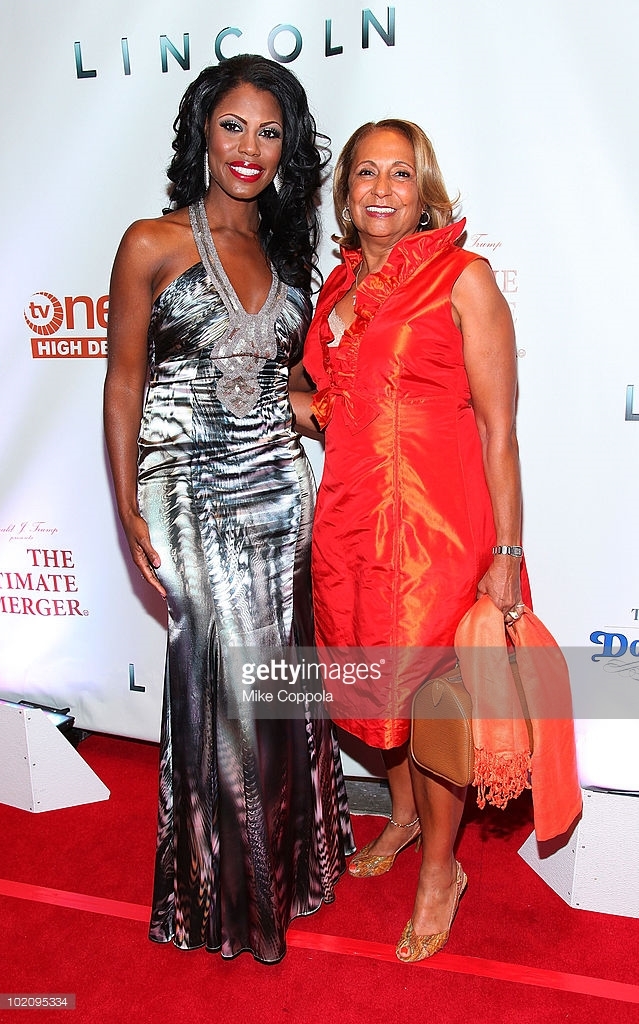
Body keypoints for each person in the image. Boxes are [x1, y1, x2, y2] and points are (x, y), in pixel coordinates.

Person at [103, 54, 354, 964]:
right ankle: (227, 894)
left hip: (280, 487)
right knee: (225, 690)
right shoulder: (151, 241)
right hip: (184, 488)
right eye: (233, 126)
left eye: (269, 131)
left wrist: (349, 408)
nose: (249, 147)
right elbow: (124, 381)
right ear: (202, 134)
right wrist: (126, 503)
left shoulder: (288, 257)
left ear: (289, 148)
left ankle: (287, 867)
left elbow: (279, 383)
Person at [300, 119, 531, 962]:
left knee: (434, 706)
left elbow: (499, 431)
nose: (382, 189)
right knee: (374, 688)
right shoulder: (336, 287)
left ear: (424, 189)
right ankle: (400, 817)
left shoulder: (462, 278)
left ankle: (441, 871)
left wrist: (506, 553)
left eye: (401, 173)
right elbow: (332, 402)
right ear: (344, 192)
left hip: (438, 527)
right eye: (365, 172)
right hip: (349, 522)